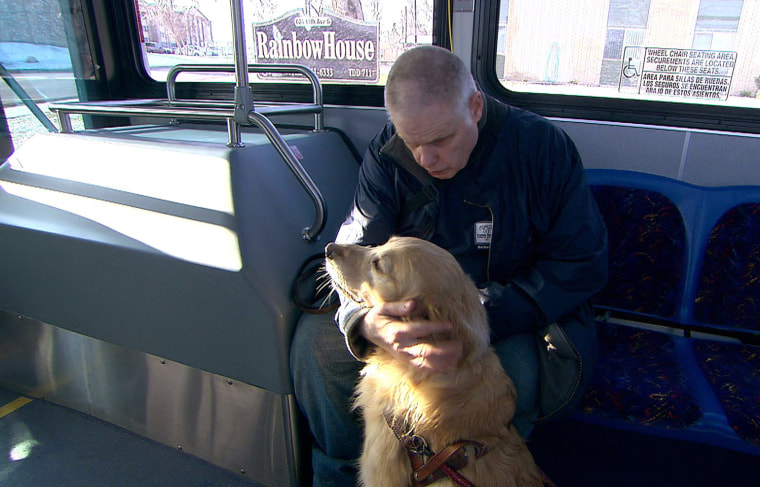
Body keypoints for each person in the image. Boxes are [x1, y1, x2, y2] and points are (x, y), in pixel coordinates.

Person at [290, 45, 608, 487]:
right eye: (412, 142)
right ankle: (344, 472)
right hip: (402, 305)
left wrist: (470, 319)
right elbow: (357, 241)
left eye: (440, 141)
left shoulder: (541, 150)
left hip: (513, 315)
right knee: (317, 347)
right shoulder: (388, 153)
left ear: (475, 107)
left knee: (503, 375)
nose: (425, 158)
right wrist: (366, 321)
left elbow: (581, 263)